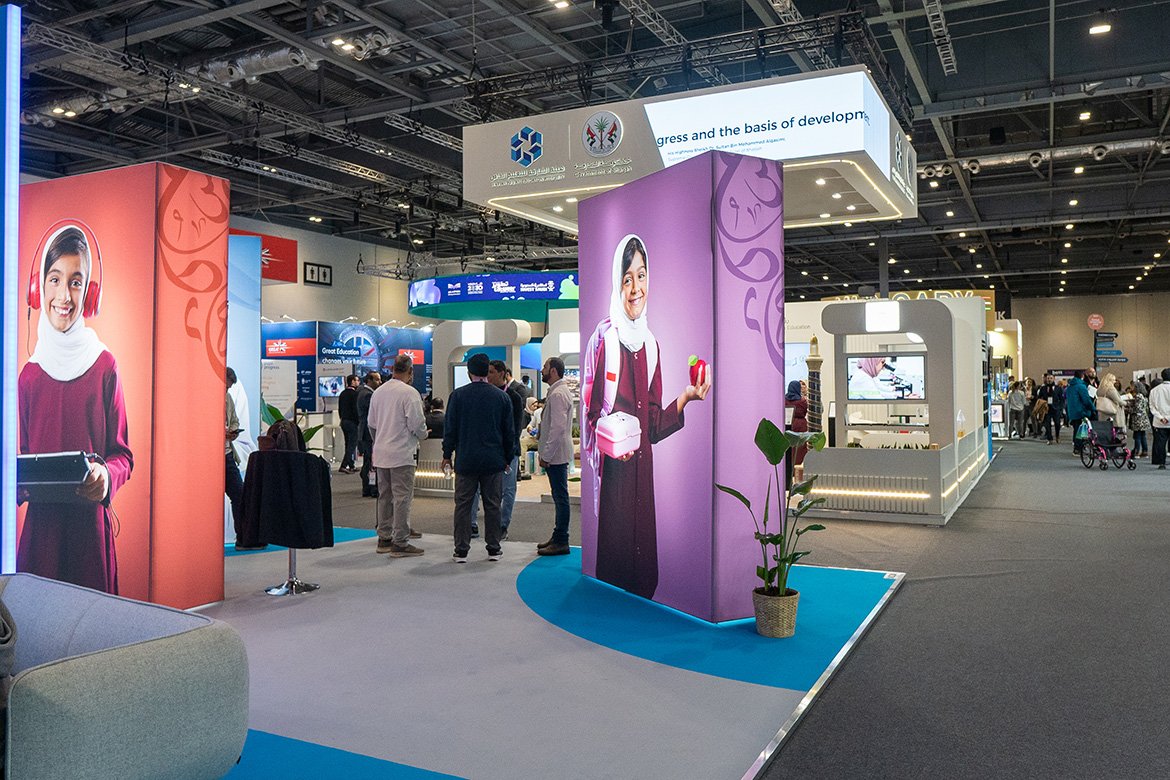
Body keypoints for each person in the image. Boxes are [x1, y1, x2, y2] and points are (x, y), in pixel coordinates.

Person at [580, 235, 712, 596]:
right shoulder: (604, 340)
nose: (636, 288)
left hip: (644, 471)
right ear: (617, 284)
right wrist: (610, 445)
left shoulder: (651, 344)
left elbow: (652, 425)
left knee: (643, 577)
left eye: (641, 275)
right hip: (616, 477)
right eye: (627, 279)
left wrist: (685, 398)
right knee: (616, 570)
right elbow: (590, 415)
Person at [18, 224, 133, 594]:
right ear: (39, 288)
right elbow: (17, 463)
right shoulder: (28, 378)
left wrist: (105, 474)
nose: (64, 295)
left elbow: (123, 456)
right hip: (41, 539)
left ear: (90, 293)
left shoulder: (105, 366)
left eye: (76, 281)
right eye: (54, 279)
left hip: (90, 541)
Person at [442, 353, 514, 563]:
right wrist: (508, 457)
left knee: (463, 505)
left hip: (466, 460)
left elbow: (450, 430)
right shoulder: (502, 397)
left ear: (469, 372)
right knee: (493, 505)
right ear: (487, 372)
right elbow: (508, 432)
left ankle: (461, 550)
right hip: (493, 461)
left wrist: (447, 455)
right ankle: (493, 548)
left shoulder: (457, 396)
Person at [367, 355, 427, 557]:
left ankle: (384, 538)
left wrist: (380, 442)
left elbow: (372, 425)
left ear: (393, 369)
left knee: (384, 497)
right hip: (402, 453)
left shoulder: (378, 392)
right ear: (410, 372)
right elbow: (417, 424)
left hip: (381, 453)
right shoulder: (410, 393)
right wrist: (423, 435)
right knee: (402, 498)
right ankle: (400, 542)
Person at [538, 356, 575, 558]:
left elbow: (557, 428)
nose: (542, 370)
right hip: (557, 454)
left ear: (553, 371)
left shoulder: (558, 394)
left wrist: (546, 454)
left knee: (561, 497)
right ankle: (558, 536)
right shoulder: (557, 392)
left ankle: (561, 539)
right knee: (560, 496)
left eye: (545, 367)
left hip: (557, 455)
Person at [357, 371, 382, 497]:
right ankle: (372, 488)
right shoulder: (367, 395)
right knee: (371, 462)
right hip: (368, 433)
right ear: (369, 380)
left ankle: (367, 488)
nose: (380, 382)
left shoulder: (363, 392)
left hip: (364, 432)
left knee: (368, 461)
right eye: (377, 380)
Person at [1065, 369, 1096, 456]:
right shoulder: (1081, 386)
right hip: (1081, 412)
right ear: (1082, 376)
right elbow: (1086, 400)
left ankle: (1077, 448)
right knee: (1081, 431)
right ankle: (1078, 448)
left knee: (1076, 430)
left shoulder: (1070, 386)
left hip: (1073, 411)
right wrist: (1093, 409)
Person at [785, 380, 808, 484]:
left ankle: (788, 470)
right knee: (800, 449)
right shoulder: (802, 401)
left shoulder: (784, 399)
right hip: (801, 426)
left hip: (788, 424)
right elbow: (804, 411)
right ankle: (798, 472)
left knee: (790, 448)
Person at [337, 374, 360, 473]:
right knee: (352, 445)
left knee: (348, 444)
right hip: (352, 422)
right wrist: (358, 421)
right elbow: (356, 410)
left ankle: (351, 465)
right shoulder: (355, 394)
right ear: (353, 382)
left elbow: (340, 409)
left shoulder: (342, 393)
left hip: (344, 421)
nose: (358, 382)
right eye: (357, 380)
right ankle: (343, 465)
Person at [1149, 368, 1170, 469]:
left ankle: (1162, 463)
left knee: (1160, 443)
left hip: (1159, 422)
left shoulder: (1154, 390)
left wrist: (1161, 418)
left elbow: (1152, 407)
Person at [1037, 373, 1065, 446]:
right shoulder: (1043, 388)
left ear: (1054, 379)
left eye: (1051, 378)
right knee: (1047, 424)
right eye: (1048, 378)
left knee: (1057, 424)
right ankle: (1050, 438)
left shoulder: (1058, 388)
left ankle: (1057, 436)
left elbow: (1062, 399)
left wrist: (1060, 407)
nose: (1049, 380)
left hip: (1056, 408)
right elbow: (1039, 398)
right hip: (1046, 409)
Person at [1130, 382, 1151, 458]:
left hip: (1138, 419)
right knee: (1143, 435)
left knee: (1137, 436)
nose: (1131, 388)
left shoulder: (1138, 396)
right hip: (1144, 418)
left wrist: (1129, 409)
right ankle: (1145, 451)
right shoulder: (1144, 397)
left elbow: (1137, 408)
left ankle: (1136, 451)